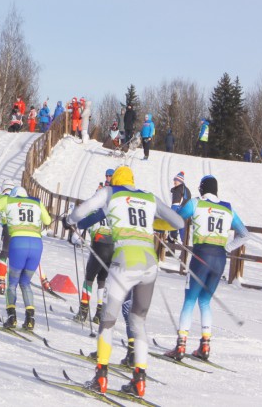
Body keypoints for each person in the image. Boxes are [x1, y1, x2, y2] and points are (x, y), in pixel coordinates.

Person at [65, 166, 184, 398]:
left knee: (108, 321)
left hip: (124, 262)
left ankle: (100, 376)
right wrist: (152, 223)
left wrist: (69, 219)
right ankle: (139, 381)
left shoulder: (110, 193)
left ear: (115, 180)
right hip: (149, 264)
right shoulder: (149, 197)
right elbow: (178, 222)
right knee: (138, 320)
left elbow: (81, 212)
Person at [165, 175, 249, 361]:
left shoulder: (196, 203)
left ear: (202, 189)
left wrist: (170, 232)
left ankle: (181, 345)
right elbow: (244, 234)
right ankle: (205, 345)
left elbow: (177, 220)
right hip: (219, 259)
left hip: (201, 256)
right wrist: (226, 248)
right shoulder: (228, 208)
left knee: (190, 299)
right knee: (205, 301)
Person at [0, 186, 52, 330]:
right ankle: (30, 319)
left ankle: (12, 317)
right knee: (25, 282)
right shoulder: (36, 202)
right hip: (36, 246)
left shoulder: (7, 200)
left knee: (12, 282)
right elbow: (48, 220)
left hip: (18, 244)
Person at [73, 171, 115, 324]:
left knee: (89, 278)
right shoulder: (114, 208)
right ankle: (99, 313)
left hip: (99, 245)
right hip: (113, 246)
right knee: (103, 280)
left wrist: (76, 235)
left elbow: (85, 221)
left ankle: (83, 311)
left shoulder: (96, 209)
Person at [169, 172, 191, 243]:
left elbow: (175, 204)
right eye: (174, 180)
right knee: (184, 235)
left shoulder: (178, 190)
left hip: (178, 214)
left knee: (172, 231)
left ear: (180, 181)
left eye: (176, 180)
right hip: (186, 214)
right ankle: (185, 251)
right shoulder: (187, 190)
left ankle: (171, 249)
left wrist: (170, 214)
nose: (174, 181)